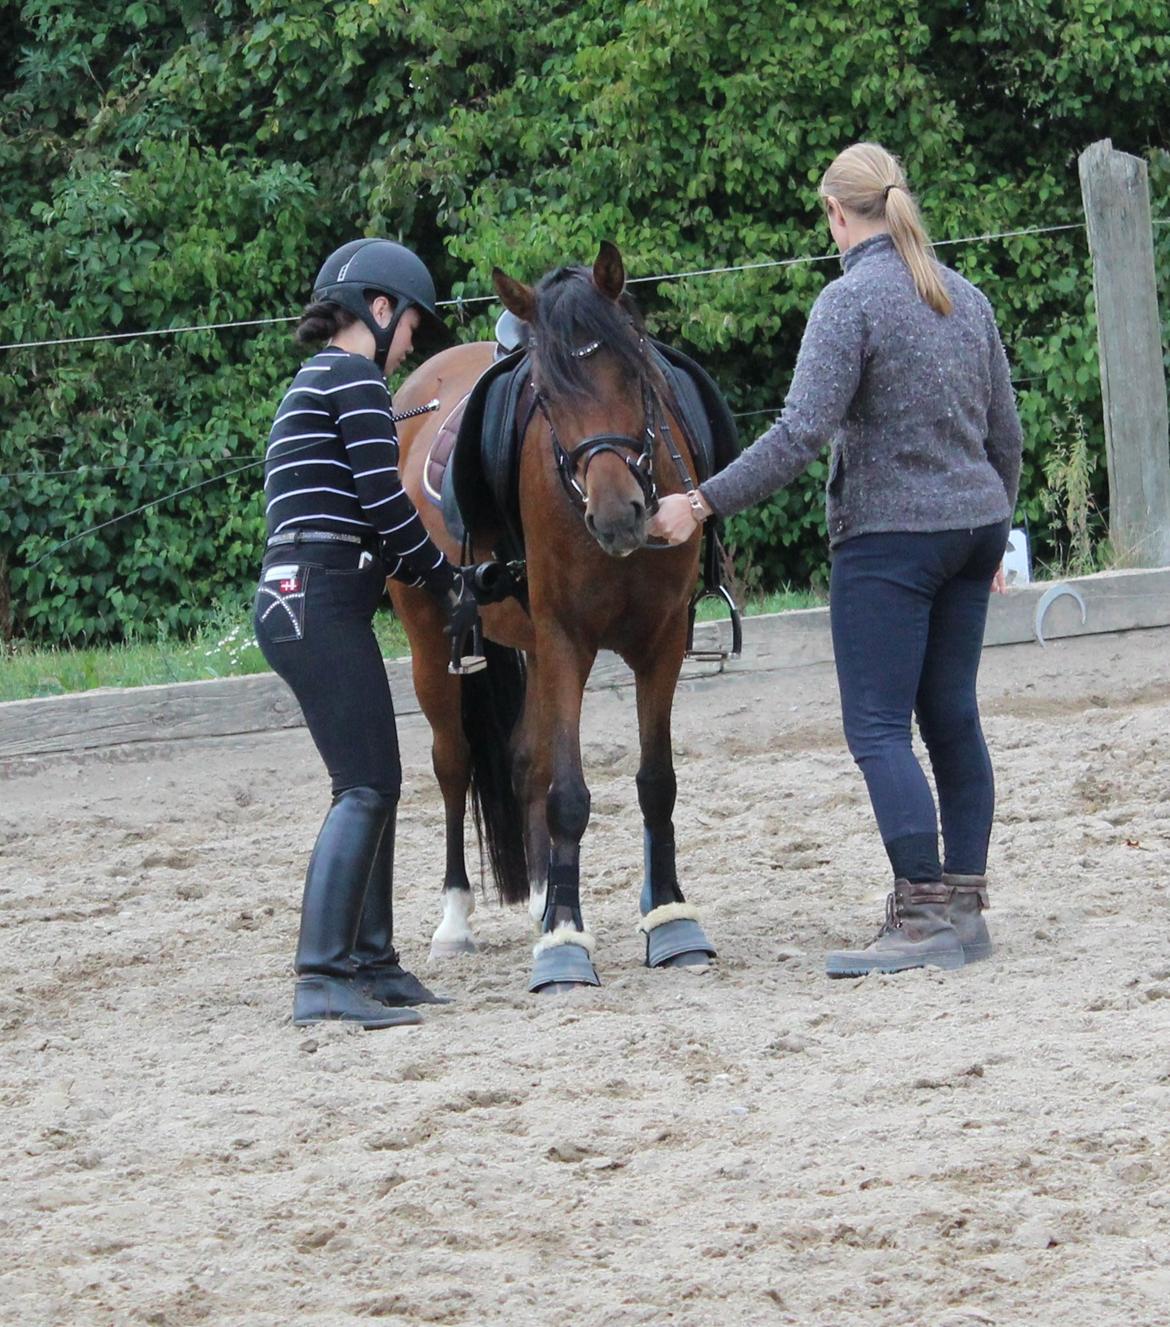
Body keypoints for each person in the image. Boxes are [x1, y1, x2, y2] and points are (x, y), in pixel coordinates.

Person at [648, 143, 1022, 978]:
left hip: (889, 539)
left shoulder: (849, 301)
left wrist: (700, 502)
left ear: (835, 213)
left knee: (879, 726)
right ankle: (962, 907)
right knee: (952, 716)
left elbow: (799, 435)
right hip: (975, 529)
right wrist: (994, 528)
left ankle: (921, 911)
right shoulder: (966, 296)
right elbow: (1007, 438)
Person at [253, 238, 481, 1028]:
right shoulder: (351, 376)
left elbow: (376, 525)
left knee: (373, 779)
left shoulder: (315, 381)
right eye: (412, 323)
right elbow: (390, 511)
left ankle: (373, 960)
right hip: (319, 601)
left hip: (304, 600)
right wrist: (450, 577)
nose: (414, 342)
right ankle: (322, 973)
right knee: (364, 786)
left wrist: (440, 575)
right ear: (379, 310)